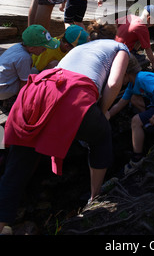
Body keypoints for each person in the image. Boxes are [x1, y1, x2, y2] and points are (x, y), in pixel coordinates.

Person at [0, 38, 130, 234]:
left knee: (16, 167)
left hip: (37, 90)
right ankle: (95, 196)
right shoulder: (122, 49)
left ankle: (2, 223)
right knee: (102, 136)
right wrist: (103, 111)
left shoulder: (84, 47)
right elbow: (113, 83)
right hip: (72, 94)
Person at [108, 54, 154, 175]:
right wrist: (106, 116)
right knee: (134, 99)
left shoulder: (142, 78)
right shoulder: (132, 85)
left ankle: (137, 158)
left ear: (125, 73)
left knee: (136, 121)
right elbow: (119, 104)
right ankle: (148, 123)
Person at [0, 24, 58, 103]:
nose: (45, 50)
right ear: (32, 48)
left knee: (33, 71)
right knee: (32, 82)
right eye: (43, 48)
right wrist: (21, 101)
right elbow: (24, 83)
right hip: (3, 91)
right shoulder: (24, 58)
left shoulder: (17, 46)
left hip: (3, 82)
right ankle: (13, 101)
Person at [114, 5, 154, 73]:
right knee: (144, 60)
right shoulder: (142, 27)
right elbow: (147, 48)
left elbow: (115, 22)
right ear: (149, 18)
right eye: (153, 23)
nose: (152, 25)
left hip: (114, 47)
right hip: (122, 53)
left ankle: (133, 52)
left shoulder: (130, 16)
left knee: (140, 39)